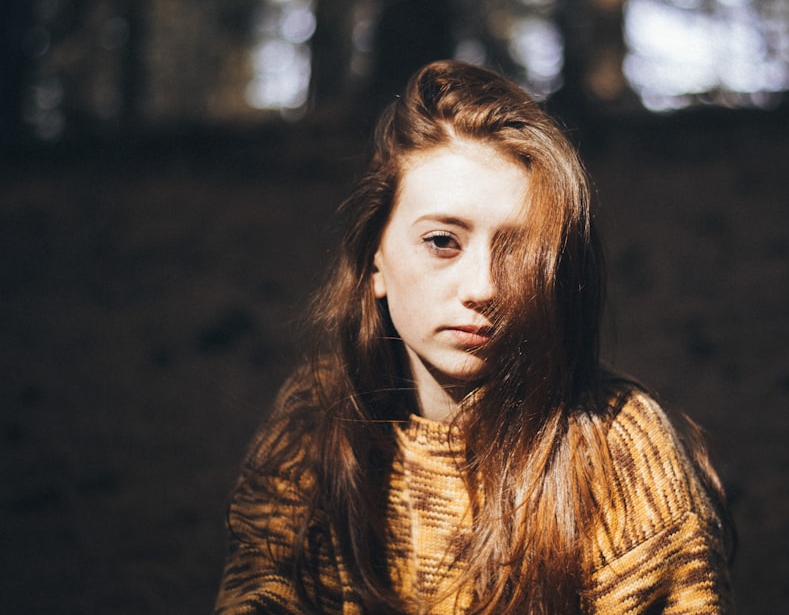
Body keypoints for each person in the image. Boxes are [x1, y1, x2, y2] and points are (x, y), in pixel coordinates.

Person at [214, 60, 734, 614]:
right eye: (442, 241)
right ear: (376, 261)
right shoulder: (314, 418)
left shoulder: (620, 446)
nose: (484, 287)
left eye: (518, 253)